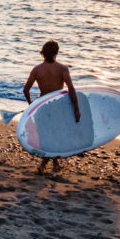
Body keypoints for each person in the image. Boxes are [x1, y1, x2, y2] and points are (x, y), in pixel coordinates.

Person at [23, 40, 81, 175]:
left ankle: (53, 164)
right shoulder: (62, 69)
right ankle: (45, 165)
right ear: (56, 53)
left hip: (42, 106)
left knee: (47, 136)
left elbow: (26, 90)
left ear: (42, 53)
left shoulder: (37, 70)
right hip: (58, 106)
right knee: (56, 135)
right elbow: (71, 89)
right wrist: (76, 109)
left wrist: (31, 105)